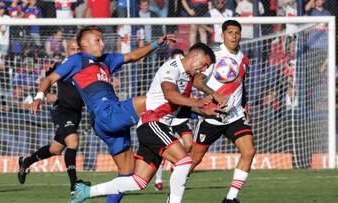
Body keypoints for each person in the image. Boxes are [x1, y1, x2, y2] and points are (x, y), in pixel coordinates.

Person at [30, 26, 175, 203]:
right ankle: (174, 151)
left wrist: (155, 44)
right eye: (97, 40)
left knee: (127, 174)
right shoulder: (77, 60)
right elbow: (50, 78)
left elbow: (133, 56)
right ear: (84, 43)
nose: (102, 44)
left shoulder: (106, 60)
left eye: (102, 39)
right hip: (106, 114)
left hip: (108, 122)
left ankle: (90, 194)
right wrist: (39, 96)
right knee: (149, 102)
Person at [70, 42, 219, 203]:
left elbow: (180, 105)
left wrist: (205, 111)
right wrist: (198, 102)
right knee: (184, 162)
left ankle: (86, 191)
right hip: (152, 122)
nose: (203, 70)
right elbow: (169, 94)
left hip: (157, 126)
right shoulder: (172, 67)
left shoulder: (187, 78)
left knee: (138, 181)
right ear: (195, 56)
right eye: (204, 65)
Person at [190, 20, 255, 203]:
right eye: (230, 32)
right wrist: (215, 95)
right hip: (212, 116)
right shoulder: (214, 55)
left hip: (234, 116)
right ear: (223, 35)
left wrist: (244, 106)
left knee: (249, 152)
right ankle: (175, 191)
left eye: (237, 32)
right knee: (194, 160)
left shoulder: (243, 59)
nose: (234, 36)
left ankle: (230, 199)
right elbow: (197, 81)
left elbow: (243, 85)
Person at [18, 39, 84, 194]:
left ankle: (26, 161)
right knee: (73, 142)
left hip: (76, 113)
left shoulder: (84, 65)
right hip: (62, 110)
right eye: (72, 49)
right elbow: (46, 81)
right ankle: (74, 184)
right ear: (67, 51)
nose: (75, 52)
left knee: (55, 149)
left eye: (78, 49)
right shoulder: (61, 66)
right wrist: (46, 95)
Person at [153, 48, 194, 191]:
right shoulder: (169, 71)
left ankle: (177, 164)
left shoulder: (189, 75)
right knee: (163, 151)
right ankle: (159, 179)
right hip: (167, 117)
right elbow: (169, 94)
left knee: (188, 144)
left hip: (181, 116)